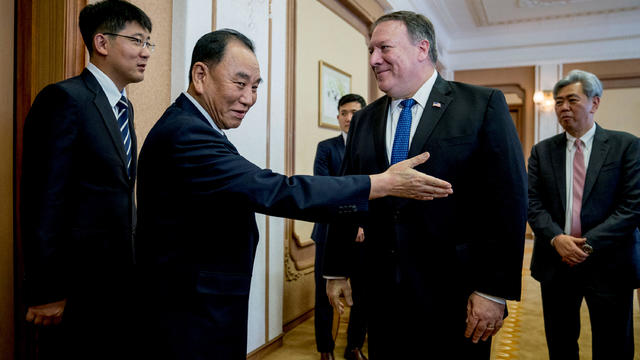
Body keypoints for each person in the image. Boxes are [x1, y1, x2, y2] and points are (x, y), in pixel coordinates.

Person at [135, 29, 453, 359]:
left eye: (256, 87)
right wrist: (380, 184)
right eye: (240, 83)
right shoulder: (186, 133)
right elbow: (275, 189)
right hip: (188, 311)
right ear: (201, 75)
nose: (249, 98)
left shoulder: (193, 126)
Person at [324, 11, 528, 359]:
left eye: (384, 48)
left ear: (422, 48)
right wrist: (337, 268)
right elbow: (349, 194)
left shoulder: (482, 105)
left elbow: (508, 202)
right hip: (382, 291)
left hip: (457, 294)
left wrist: (493, 290)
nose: (373, 59)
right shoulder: (363, 120)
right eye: (370, 50)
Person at [20, 1, 153, 358]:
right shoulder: (64, 99)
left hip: (119, 284)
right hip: (77, 287)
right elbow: (42, 200)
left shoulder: (123, 106)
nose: (146, 53)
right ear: (102, 43)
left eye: (149, 43)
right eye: (138, 41)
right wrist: (46, 291)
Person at [528, 69, 640, 360]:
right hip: (556, 263)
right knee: (560, 341)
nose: (563, 108)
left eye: (572, 100)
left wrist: (586, 244)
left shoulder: (626, 146)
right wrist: (556, 239)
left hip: (610, 263)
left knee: (614, 343)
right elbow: (531, 202)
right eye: (559, 102)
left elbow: (632, 206)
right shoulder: (542, 152)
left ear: (594, 103)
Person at [311, 94, 369, 360]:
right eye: (344, 113)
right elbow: (325, 190)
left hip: (364, 234)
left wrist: (359, 224)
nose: (349, 118)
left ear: (364, 116)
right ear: (338, 117)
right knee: (324, 295)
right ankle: (325, 349)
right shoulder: (326, 148)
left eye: (355, 112)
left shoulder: (372, 148)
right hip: (328, 232)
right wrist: (349, 223)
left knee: (362, 294)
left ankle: (354, 346)